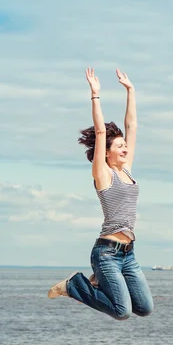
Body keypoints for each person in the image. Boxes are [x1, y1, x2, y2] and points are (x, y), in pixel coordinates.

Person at [47, 67, 154, 320]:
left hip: (129, 253)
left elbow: (132, 126)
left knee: (145, 308)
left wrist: (131, 91)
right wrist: (95, 95)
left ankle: (99, 283)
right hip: (106, 252)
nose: (126, 148)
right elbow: (100, 132)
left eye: (125, 145)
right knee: (122, 312)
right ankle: (74, 285)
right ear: (107, 152)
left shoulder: (127, 170)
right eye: (120, 146)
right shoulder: (103, 173)